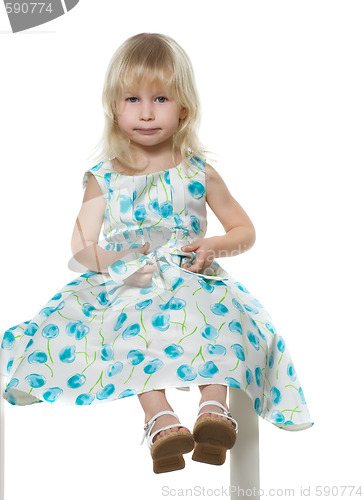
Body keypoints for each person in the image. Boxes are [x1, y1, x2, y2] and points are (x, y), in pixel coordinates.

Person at [0, 32, 313, 475]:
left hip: (191, 275)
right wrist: (115, 261)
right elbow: (81, 246)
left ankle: (213, 410)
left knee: (219, 315)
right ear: (113, 106)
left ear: (183, 106)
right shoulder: (103, 177)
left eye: (160, 98)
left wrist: (214, 245)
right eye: (132, 99)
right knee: (129, 324)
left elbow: (245, 230)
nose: (146, 112)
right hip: (132, 278)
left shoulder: (196, 170)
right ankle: (160, 420)